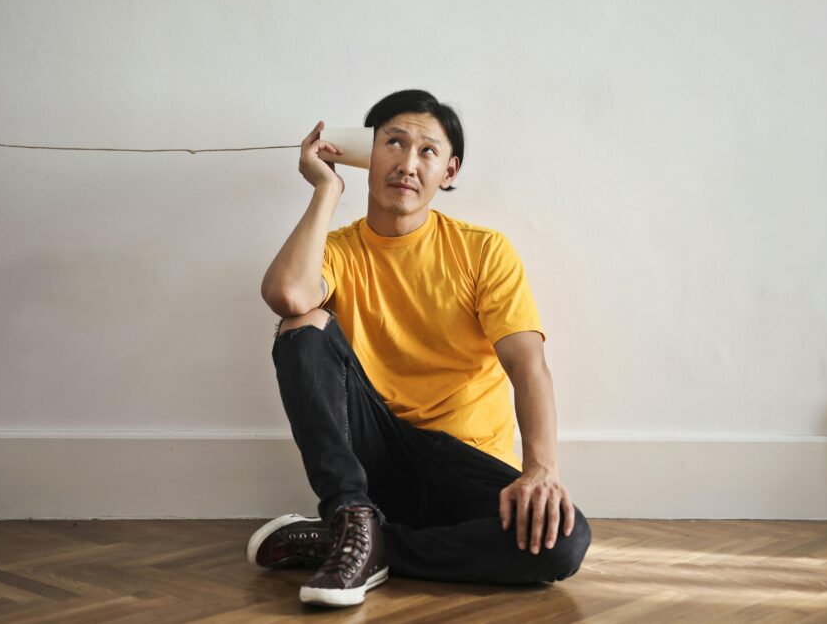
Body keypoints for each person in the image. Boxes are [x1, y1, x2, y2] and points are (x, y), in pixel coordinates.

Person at [247, 89, 592, 608]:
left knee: (563, 543)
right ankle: (353, 518)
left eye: (427, 151)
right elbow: (289, 296)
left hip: (465, 459)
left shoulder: (483, 250)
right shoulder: (337, 251)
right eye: (394, 142)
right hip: (375, 455)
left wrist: (542, 468)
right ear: (367, 153)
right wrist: (325, 190)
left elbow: (527, 365)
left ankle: (353, 545)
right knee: (303, 325)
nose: (408, 163)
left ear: (448, 172)